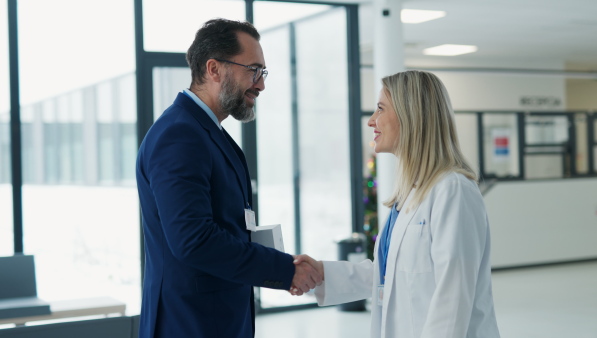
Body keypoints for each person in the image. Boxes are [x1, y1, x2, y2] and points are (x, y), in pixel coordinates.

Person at [136, 18, 322, 338]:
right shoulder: (180, 135)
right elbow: (194, 240)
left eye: (263, 72)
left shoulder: (205, 132)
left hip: (214, 319)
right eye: (253, 69)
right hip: (189, 324)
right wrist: (282, 269)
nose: (261, 84)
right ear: (214, 69)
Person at [294, 70, 501, 337]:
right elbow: (390, 275)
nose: (371, 121)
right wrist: (323, 273)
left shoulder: (453, 189)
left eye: (380, 109)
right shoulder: (412, 191)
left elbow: (453, 296)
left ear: (411, 115)